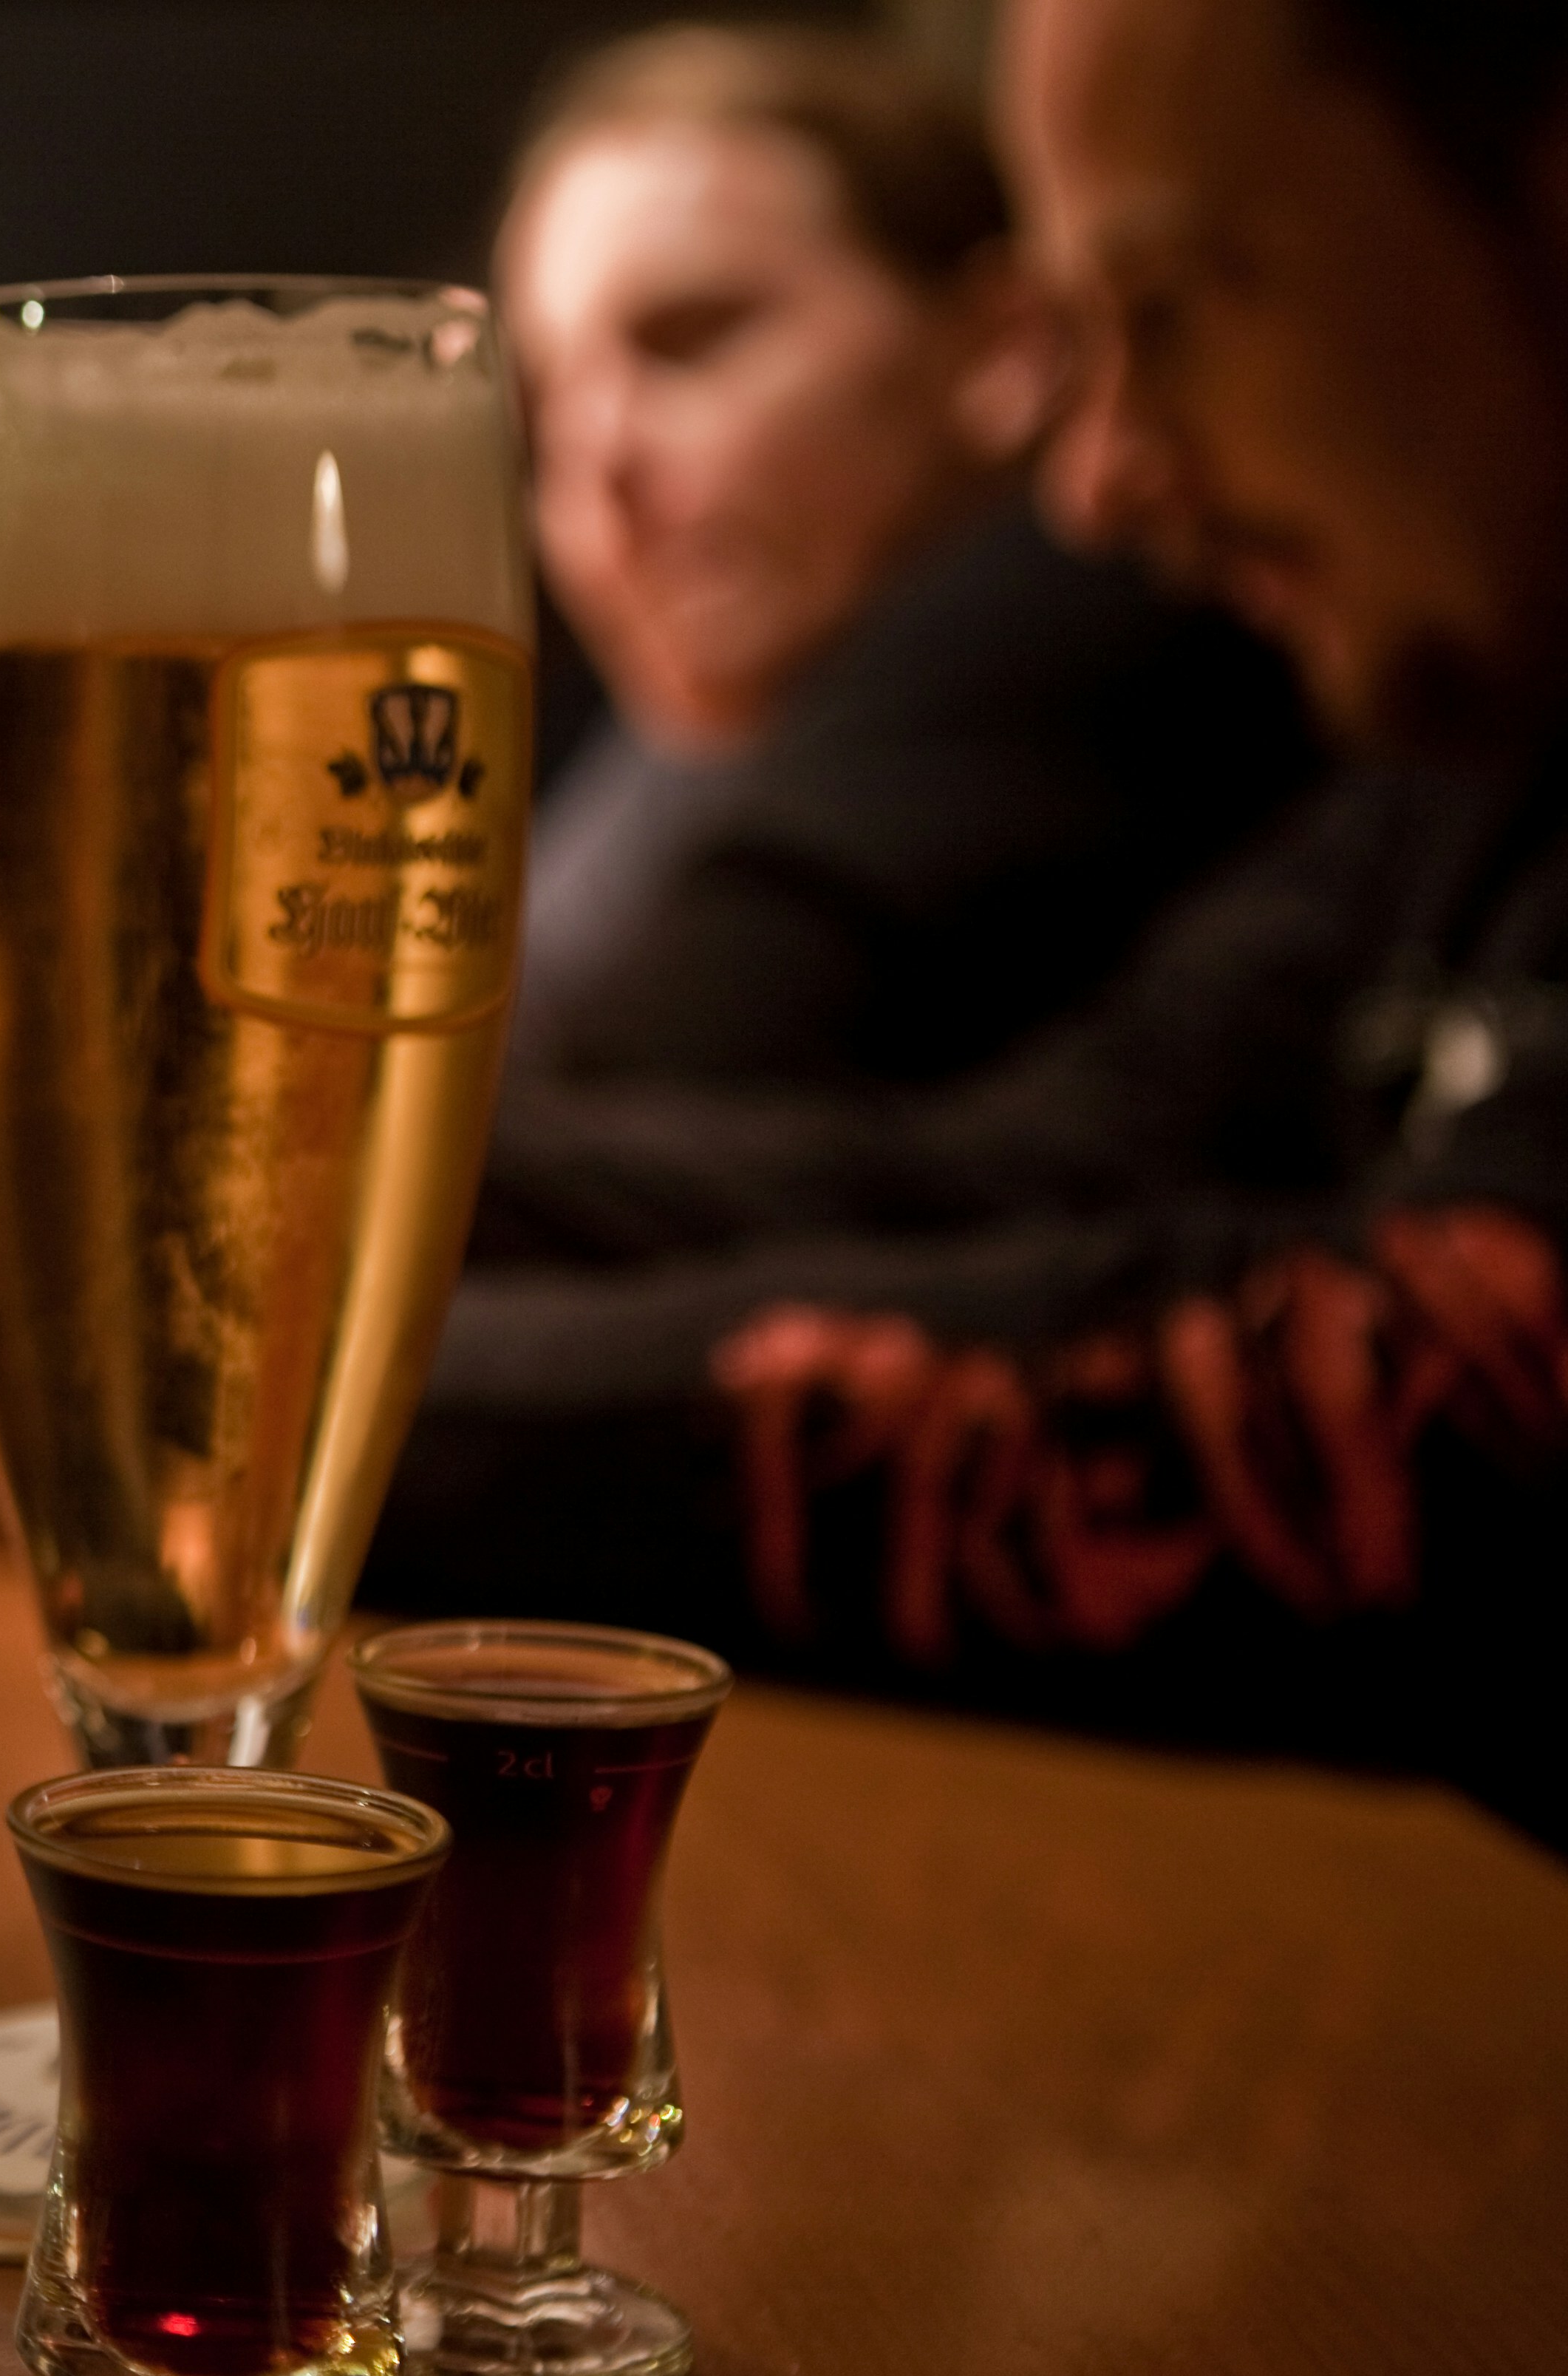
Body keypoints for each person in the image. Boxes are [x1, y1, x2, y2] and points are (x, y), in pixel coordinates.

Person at [376, 0, 1568, 1836]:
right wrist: (221, 1244)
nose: (1096, 482)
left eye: (1173, 307)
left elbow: (1419, 1428)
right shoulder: (1470, 758)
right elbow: (1042, 1163)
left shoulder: (1098, 645)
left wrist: (268, 1419)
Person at [499, 24, 1318, 1090]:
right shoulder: (660, 768)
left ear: (1001, 350)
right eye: (544, 402)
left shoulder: (1092, 604)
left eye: (692, 339)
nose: (595, 459)